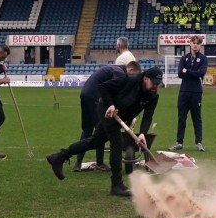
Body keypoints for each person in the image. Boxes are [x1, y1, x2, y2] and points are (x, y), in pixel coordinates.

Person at [47, 66, 163, 197]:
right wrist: (110, 104)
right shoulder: (128, 80)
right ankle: (117, 185)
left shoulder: (153, 96)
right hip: (107, 111)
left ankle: (59, 157)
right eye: (154, 83)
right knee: (117, 142)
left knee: (94, 142)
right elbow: (103, 87)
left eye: (158, 84)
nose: (155, 86)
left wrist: (142, 133)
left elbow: (148, 116)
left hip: (121, 117)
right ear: (145, 78)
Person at [72, 60, 139, 173]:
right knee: (101, 130)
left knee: (87, 130)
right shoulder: (119, 72)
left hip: (85, 94)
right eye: (134, 74)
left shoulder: (113, 68)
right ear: (130, 70)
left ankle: (78, 164)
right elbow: (115, 90)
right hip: (94, 97)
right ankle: (99, 163)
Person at [172, 35, 207, 152]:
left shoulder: (203, 59)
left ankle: (199, 142)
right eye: (193, 43)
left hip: (196, 92)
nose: (195, 45)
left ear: (200, 45)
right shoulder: (184, 58)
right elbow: (180, 73)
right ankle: (179, 142)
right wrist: (193, 72)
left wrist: (188, 71)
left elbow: (201, 73)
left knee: (196, 118)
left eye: (198, 43)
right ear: (190, 44)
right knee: (181, 117)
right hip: (184, 91)